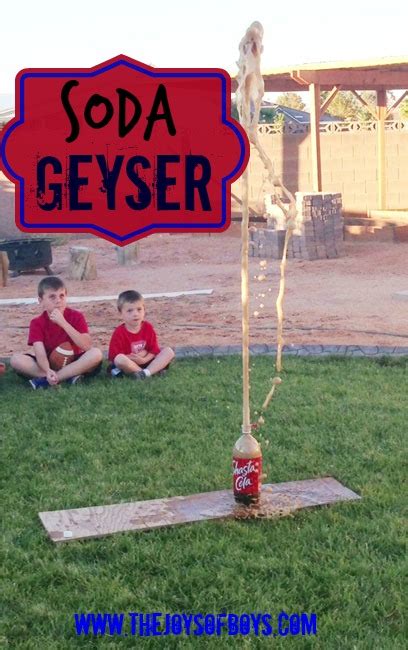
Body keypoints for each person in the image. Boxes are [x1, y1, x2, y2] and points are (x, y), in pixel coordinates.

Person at [10, 276, 103, 389]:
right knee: (16, 360)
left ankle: (50, 379)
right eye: (52, 297)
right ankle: (63, 376)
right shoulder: (37, 322)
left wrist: (63, 323)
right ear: (41, 301)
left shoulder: (76, 316)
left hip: (73, 361)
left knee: (96, 353)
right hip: (48, 363)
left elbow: (87, 346)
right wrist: (47, 370)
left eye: (62, 296)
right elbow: (40, 353)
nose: (58, 301)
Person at [108, 290, 174, 379]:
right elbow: (114, 357)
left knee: (168, 351)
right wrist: (135, 357)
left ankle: (144, 373)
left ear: (144, 310)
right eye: (129, 311)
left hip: (146, 361)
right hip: (130, 364)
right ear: (121, 313)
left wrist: (144, 359)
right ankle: (145, 373)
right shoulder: (119, 332)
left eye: (139, 309)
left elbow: (154, 350)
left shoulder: (148, 327)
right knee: (119, 359)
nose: (135, 314)